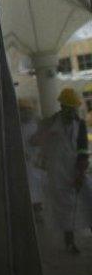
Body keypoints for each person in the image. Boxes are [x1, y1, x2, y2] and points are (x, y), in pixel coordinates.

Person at [34, 88, 90, 254]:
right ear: (62, 106)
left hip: (76, 169)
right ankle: (70, 243)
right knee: (65, 209)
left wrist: (80, 173)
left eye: (74, 108)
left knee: (88, 202)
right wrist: (46, 136)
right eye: (70, 108)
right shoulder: (50, 123)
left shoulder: (79, 124)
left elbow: (82, 150)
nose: (73, 111)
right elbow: (34, 141)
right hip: (57, 172)